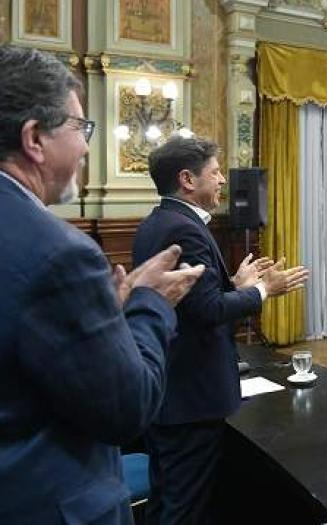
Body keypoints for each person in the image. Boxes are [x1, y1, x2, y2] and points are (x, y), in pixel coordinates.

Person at [0, 44, 204, 524]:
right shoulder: (59, 253)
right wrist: (151, 303)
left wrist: (105, 308)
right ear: (35, 139)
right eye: (80, 128)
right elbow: (126, 407)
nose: (88, 146)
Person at [134, 137, 309, 524]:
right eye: (215, 173)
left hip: (171, 389)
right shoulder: (187, 229)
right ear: (187, 179)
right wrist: (266, 289)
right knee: (184, 506)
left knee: (166, 498)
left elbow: (191, 301)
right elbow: (209, 311)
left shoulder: (158, 221)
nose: (222, 181)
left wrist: (235, 283)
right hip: (190, 395)